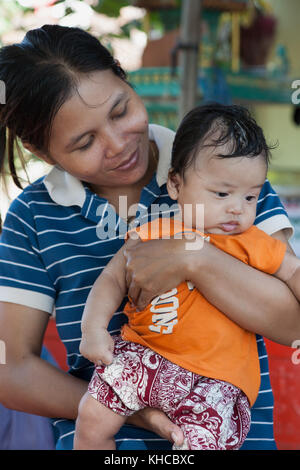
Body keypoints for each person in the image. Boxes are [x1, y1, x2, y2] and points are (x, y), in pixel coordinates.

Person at [0, 24, 299, 451]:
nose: (118, 144)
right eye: (85, 142)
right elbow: (11, 368)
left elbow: (293, 323)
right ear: (42, 151)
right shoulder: (34, 215)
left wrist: (195, 258)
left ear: (125, 77)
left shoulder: (225, 176)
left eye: (120, 111)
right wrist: (136, 410)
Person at [74, 104, 300, 450]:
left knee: (200, 442)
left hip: (216, 380)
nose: (238, 208)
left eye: (251, 196)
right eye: (222, 194)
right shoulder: (153, 232)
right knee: (91, 417)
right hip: (143, 356)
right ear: (176, 185)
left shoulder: (252, 241)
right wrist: (92, 331)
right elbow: (111, 279)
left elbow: (294, 270)